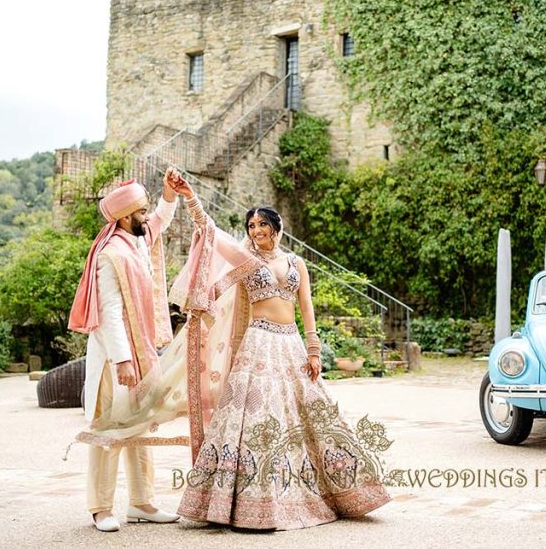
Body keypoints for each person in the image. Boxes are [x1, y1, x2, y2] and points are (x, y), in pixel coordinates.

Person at [166, 173, 391, 530]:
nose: (256, 230)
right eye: (251, 225)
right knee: (257, 419)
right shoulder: (244, 258)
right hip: (258, 345)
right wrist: (190, 196)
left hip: (291, 345)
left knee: (312, 416)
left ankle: (337, 492)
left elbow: (307, 308)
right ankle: (249, 505)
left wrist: (314, 351)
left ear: (276, 227)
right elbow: (207, 229)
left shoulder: (296, 263)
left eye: (263, 224)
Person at [67, 174, 184, 532]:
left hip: (143, 351)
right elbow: (109, 314)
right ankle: (101, 508)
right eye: (142, 211)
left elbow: (160, 220)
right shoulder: (110, 254)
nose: (147, 216)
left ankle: (141, 502)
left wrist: (168, 195)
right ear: (124, 216)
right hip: (115, 359)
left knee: (139, 426)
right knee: (110, 428)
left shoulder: (137, 241)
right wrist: (122, 360)